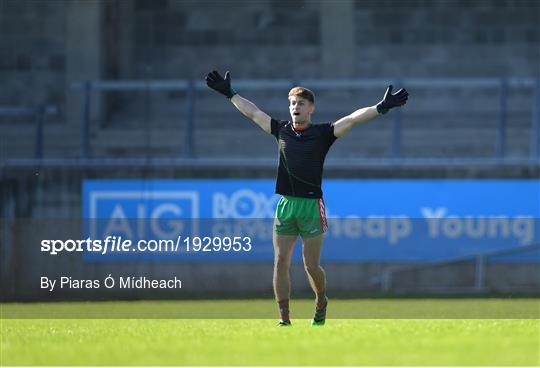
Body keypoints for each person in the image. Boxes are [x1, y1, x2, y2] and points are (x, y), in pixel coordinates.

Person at [205, 70, 408, 326]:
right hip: (286, 204)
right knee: (280, 261)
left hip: (311, 205)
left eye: (300, 103)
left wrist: (381, 107)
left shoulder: (323, 134)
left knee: (311, 266)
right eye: (292, 104)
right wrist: (229, 93)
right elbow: (253, 112)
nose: (295, 107)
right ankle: (284, 319)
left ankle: (321, 300)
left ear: (311, 108)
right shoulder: (280, 130)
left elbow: (352, 119)